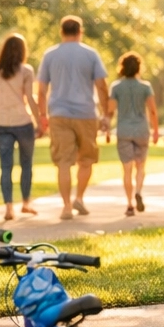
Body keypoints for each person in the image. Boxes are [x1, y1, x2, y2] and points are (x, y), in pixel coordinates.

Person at [36, 15, 110, 220]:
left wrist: (43, 116)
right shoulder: (90, 54)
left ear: (62, 32)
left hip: (58, 114)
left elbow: (41, 90)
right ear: (80, 31)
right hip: (86, 114)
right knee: (86, 160)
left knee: (64, 163)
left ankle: (67, 207)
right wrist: (105, 114)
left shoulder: (50, 55)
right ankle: (79, 197)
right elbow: (102, 86)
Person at [0, 33, 44, 221]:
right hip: (23, 123)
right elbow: (30, 98)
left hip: (0, 123)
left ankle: (9, 208)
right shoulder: (26, 71)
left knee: (5, 167)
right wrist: (40, 121)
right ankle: (26, 203)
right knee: (26, 164)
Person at [108, 52, 159, 216]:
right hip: (141, 130)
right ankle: (138, 191)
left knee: (127, 169)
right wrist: (156, 130)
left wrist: (107, 129)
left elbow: (110, 111)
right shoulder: (145, 87)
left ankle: (129, 204)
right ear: (139, 67)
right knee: (140, 166)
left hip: (123, 130)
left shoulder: (116, 87)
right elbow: (152, 110)